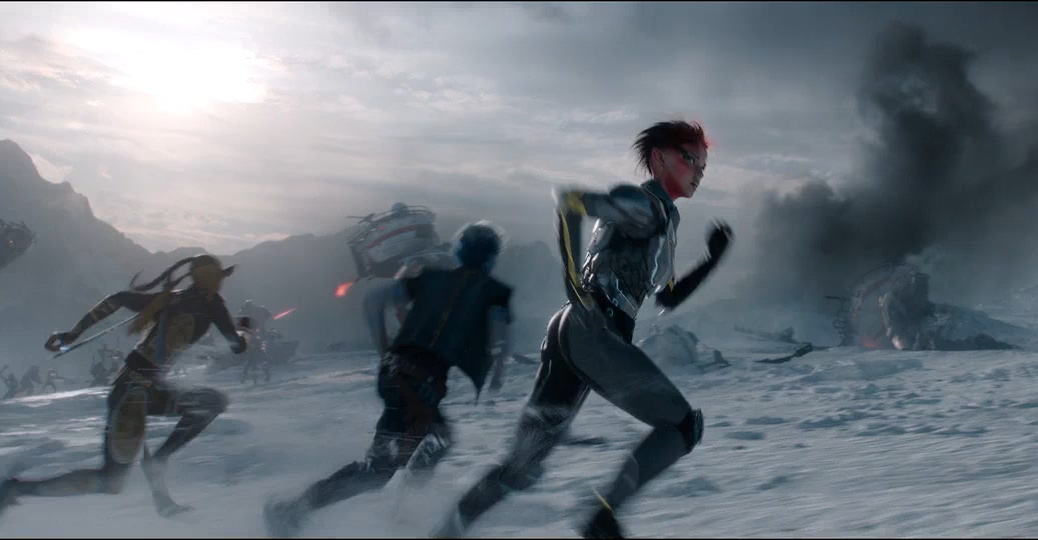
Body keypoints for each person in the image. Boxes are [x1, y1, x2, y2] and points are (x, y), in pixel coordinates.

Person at [432, 120, 733, 539]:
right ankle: (602, 519)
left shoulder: (665, 218)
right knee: (683, 426)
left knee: (522, 467)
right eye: (690, 158)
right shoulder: (642, 203)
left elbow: (666, 297)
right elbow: (571, 202)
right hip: (593, 329)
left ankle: (443, 533)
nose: (699, 170)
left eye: (702, 164)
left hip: (576, 333)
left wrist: (711, 260)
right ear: (659, 158)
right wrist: (576, 286)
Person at [263, 222, 514, 537]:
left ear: (459, 250)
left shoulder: (431, 280)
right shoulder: (492, 292)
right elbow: (502, 340)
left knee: (427, 444)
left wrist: (384, 348)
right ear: (491, 257)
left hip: (398, 378)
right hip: (417, 387)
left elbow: (373, 302)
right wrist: (497, 372)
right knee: (389, 465)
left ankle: (400, 511)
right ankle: (295, 511)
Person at [0, 255, 247, 520]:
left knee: (210, 403)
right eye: (217, 277)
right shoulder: (208, 306)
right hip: (135, 391)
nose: (219, 283)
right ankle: (16, 490)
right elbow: (236, 346)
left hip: (143, 388)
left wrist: (73, 333)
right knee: (111, 481)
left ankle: (158, 472)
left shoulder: (173, 300)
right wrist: (244, 331)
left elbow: (118, 300)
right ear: (210, 278)